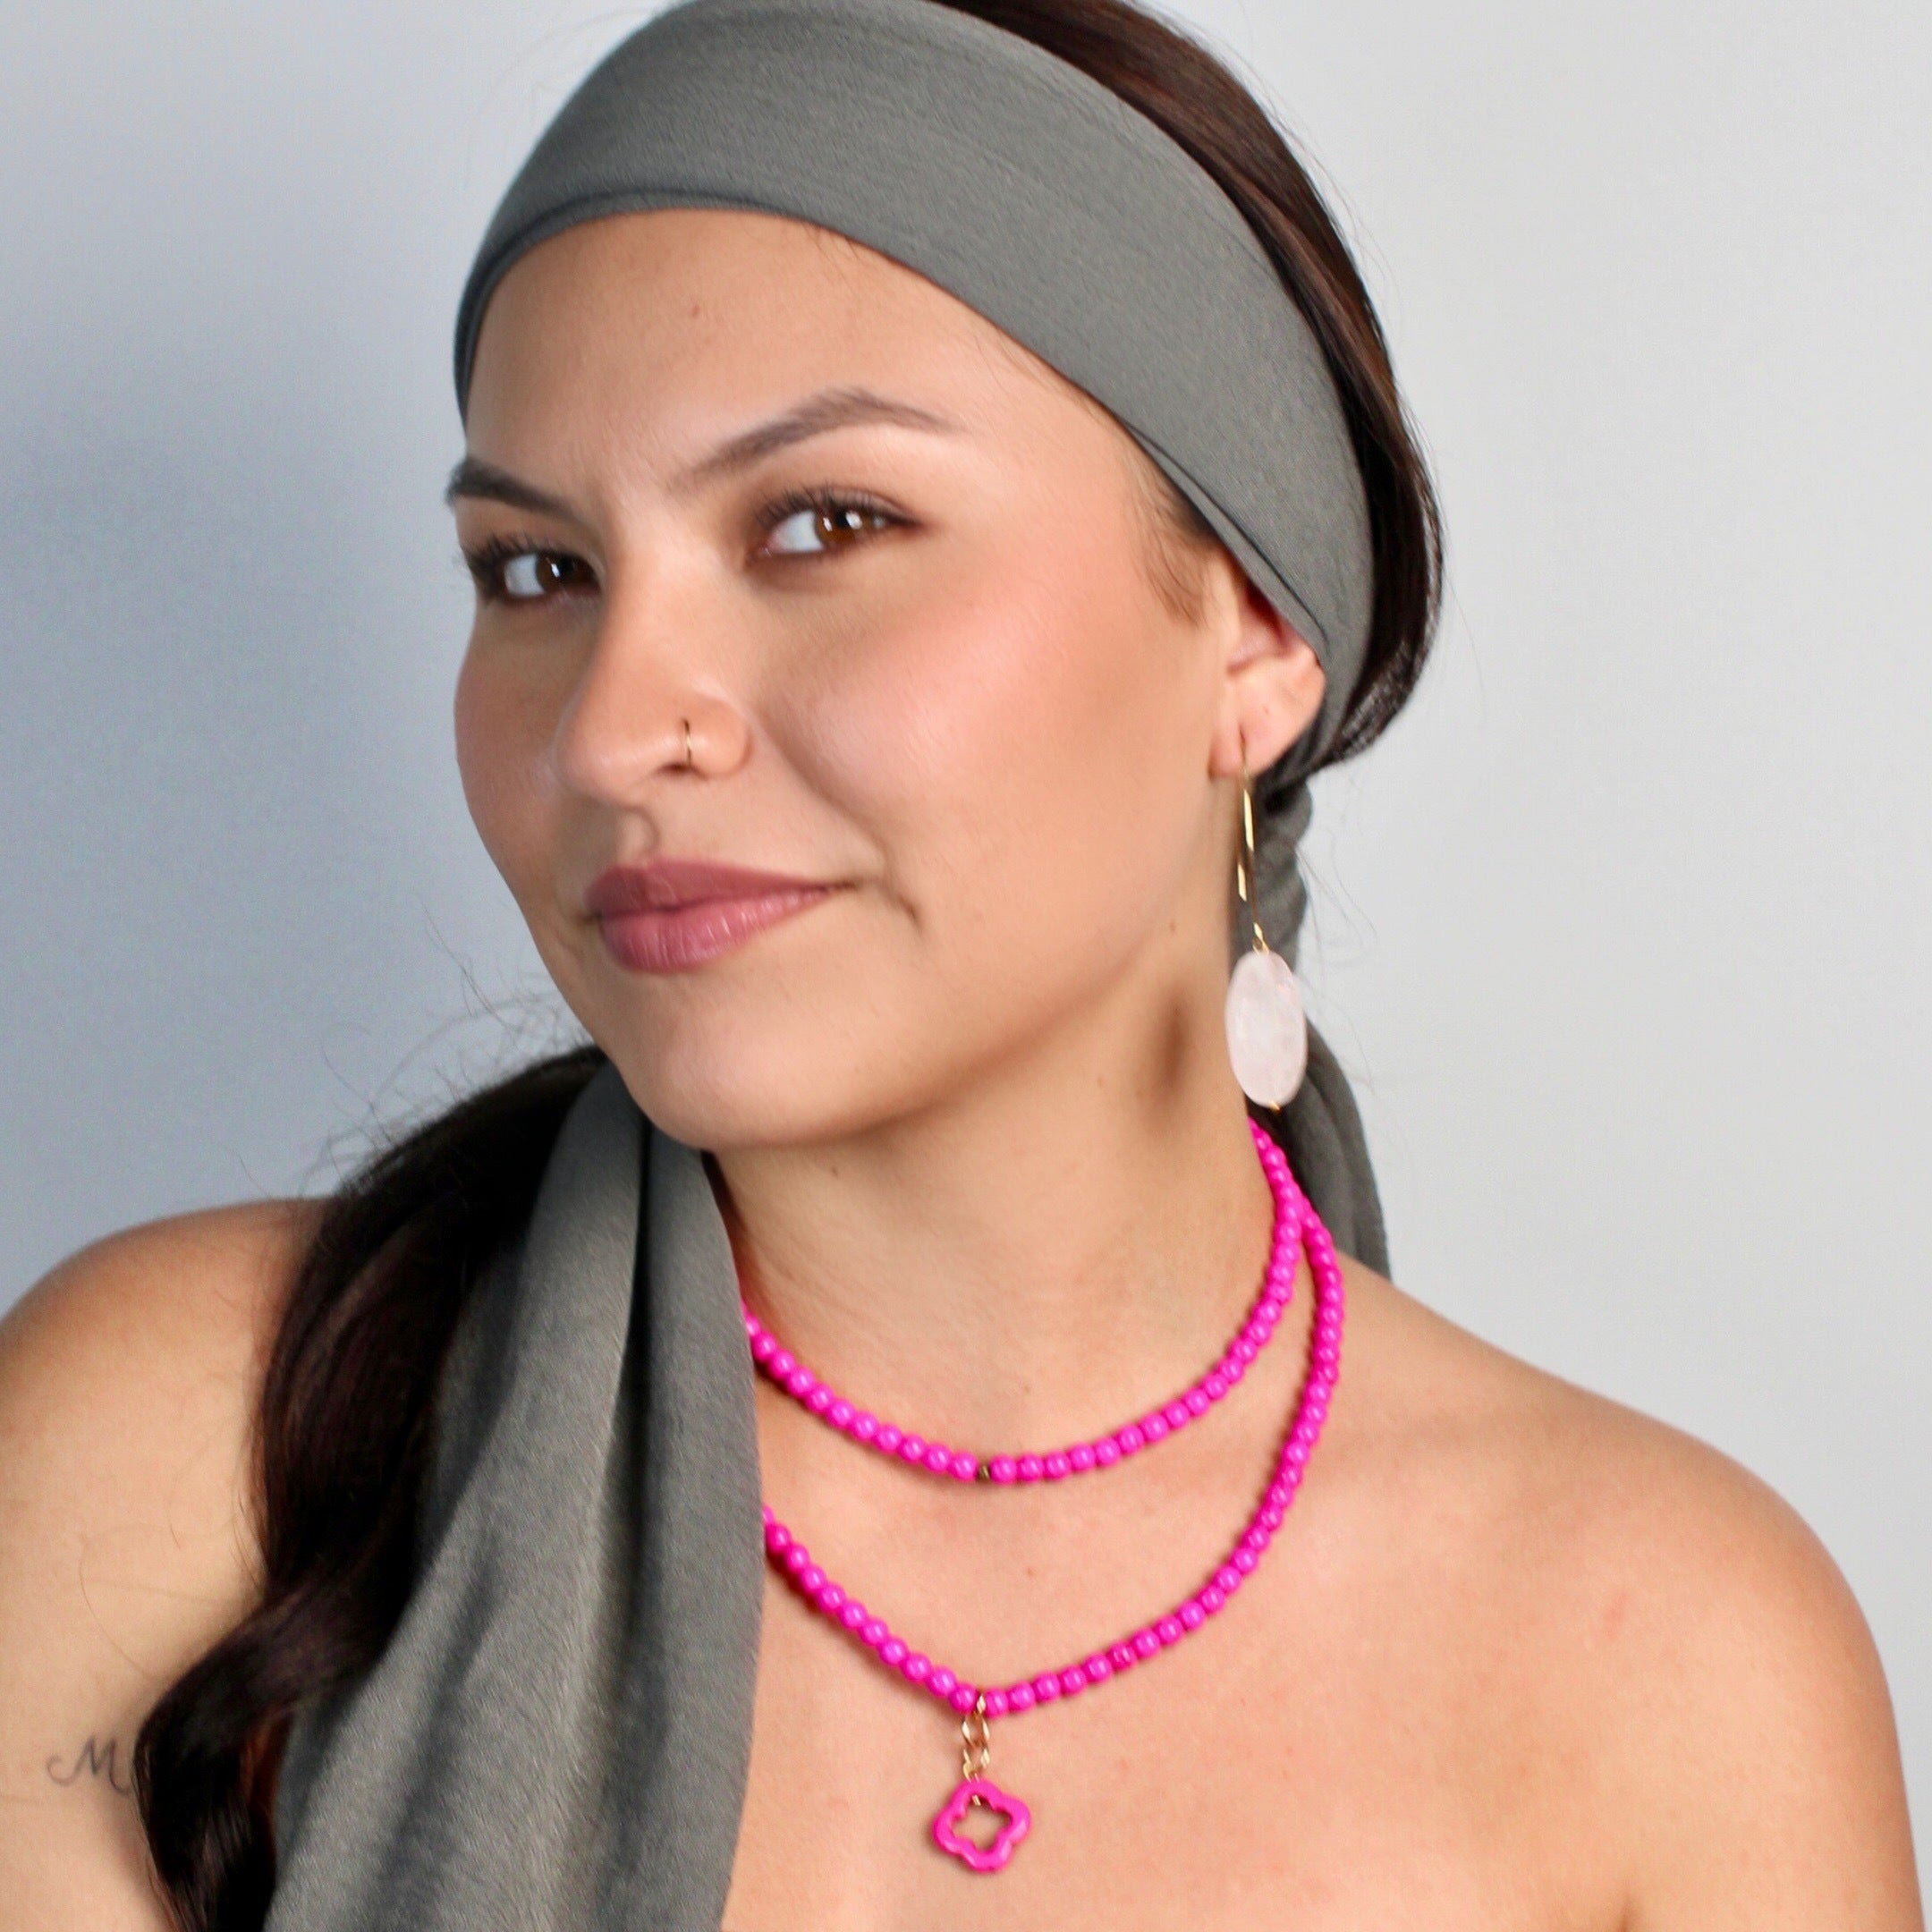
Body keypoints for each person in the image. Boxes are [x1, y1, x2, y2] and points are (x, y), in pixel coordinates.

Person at [0, 0, 1919, 1927]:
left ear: (1253, 634)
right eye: (538, 570)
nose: (609, 732)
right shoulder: (193, 1458)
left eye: (823, 524)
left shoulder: (1672, 1666)